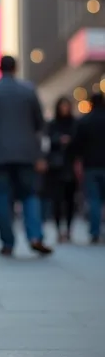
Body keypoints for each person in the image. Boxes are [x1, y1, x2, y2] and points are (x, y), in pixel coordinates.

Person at [0, 56, 53, 257]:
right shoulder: (28, 90)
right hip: (26, 154)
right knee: (29, 195)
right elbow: (40, 123)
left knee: (1, 198)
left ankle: (7, 242)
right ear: (16, 68)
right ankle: (35, 236)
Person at [70, 92, 105, 244]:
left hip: (90, 165)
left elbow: (76, 145)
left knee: (94, 200)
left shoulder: (85, 121)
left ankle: (95, 232)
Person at [45, 97, 77, 242]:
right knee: (57, 200)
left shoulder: (75, 124)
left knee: (70, 199)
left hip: (71, 165)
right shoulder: (52, 125)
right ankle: (59, 230)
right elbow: (47, 142)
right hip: (56, 167)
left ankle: (68, 229)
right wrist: (59, 140)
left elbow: (79, 141)